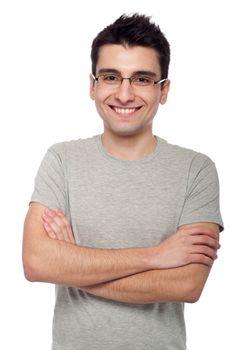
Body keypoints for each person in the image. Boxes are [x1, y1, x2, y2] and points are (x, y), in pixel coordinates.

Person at [22, 13, 223, 350]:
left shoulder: (196, 170)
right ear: (93, 85)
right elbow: (37, 262)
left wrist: (73, 264)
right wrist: (155, 256)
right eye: (111, 76)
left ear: (164, 91)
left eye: (142, 79)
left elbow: (187, 285)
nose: (125, 94)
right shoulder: (61, 160)